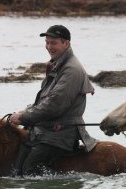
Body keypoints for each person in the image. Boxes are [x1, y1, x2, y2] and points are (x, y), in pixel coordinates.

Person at [9, 25, 97, 176]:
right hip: (45, 130)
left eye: (54, 43)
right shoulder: (57, 65)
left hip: (60, 134)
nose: (49, 47)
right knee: (14, 169)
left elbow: (54, 106)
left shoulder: (71, 70)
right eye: (47, 42)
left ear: (66, 43)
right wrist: (25, 111)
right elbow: (44, 101)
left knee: (29, 170)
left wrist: (23, 117)